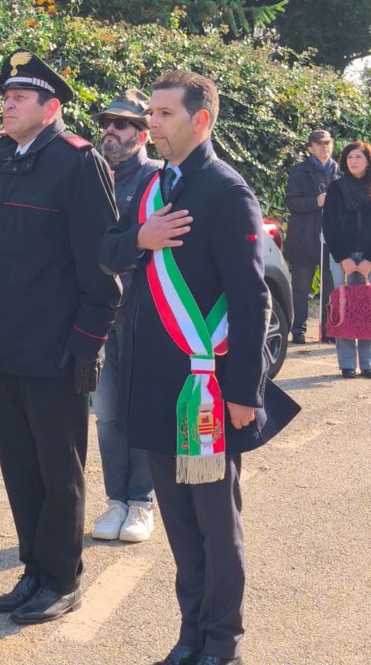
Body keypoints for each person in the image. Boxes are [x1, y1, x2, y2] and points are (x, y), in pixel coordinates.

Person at [101, 70, 299, 665]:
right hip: (156, 385)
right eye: (152, 113)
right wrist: (143, 234)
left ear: (200, 120)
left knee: (216, 523)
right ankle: (190, 636)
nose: (150, 124)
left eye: (162, 114)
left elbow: (252, 297)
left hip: (207, 392)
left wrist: (246, 391)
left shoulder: (227, 189)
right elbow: (106, 250)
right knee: (181, 527)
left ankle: (222, 643)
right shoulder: (150, 186)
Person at [0, 50, 120, 625]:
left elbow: (103, 267)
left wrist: (88, 343)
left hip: (56, 348)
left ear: (52, 107)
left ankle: (62, 578)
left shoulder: (77, 163)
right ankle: (34, 570)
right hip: (3, 344)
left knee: (58, 469)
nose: (8, 103)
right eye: (6, 96)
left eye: (19, 96)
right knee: (19, 466)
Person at [91, 89, 161, 544]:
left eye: (120, 124)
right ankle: (116, 499)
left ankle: (141, 502)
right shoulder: (92, 176)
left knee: (141, 410)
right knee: (107, 413)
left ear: (141, 134)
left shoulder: (158, 178)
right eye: (107, 124)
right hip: (99, 317)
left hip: (144, 315)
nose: (110, 131)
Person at [321, 141, 371, 379]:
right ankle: (347, 363)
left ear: (367, 160)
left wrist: (368, 260)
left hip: (368, 258)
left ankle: (368, 362)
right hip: (342, 256)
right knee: (344, 305)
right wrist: (343, 258)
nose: (353, 161)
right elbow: (329, 225)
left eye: (358, 157)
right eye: (350, 157)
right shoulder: (337, 188)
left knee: (367, 308)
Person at [284, 129, 339, 343]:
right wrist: (316, 201)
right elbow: (292, 202)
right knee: (300, 288)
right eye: (318, 143)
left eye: (327, 143)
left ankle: (328, 330)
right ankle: (298, 330)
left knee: (330, 288)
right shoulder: (299, 171)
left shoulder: (340, 171)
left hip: (331, 240)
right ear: (310, 148)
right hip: (303, 238)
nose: (324, 147)